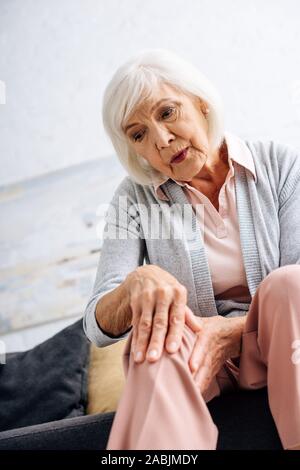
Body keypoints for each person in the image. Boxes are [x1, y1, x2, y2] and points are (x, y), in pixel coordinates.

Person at [83, 48, 300, 450]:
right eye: (138, 134)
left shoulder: (281, 165)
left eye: (166, 113)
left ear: (200, 103)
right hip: (198, 362)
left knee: (291, 283)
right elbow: (97, 327)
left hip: (285, 346)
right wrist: (136, 284)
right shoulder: (133, 200)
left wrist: (234, 332)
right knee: (159, 331)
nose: (162, 141)